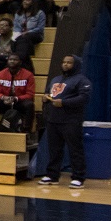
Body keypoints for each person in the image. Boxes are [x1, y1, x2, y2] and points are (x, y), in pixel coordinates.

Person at [39, 54, 91, 187]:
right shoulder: (56, 79)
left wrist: (64, 103)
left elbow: (83, 98)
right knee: (54, 150)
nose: (65, 64)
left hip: (71, 120)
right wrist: (46, 98)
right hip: (53, 119)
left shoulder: (82, 80)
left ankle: (78, 177)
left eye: (69, 62)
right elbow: (50, 93)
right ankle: (52, 175)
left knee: (75, 149)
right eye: (64, 62)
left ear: (76, 65)